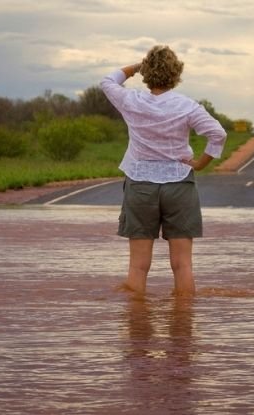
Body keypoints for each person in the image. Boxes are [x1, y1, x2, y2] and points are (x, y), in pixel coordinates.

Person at [100, 45, 227, 297]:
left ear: (147, 73)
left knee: (138, 266)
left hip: (139, 184)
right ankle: (183, 327)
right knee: (182, 265)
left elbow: (107, 81)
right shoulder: (187, 106)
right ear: (176, 74)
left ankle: (137, 330)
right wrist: (200, 163)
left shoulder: (131, 100)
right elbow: (218, 134)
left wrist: (137, 67)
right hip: (179, 184)